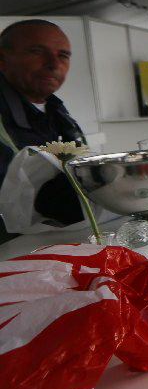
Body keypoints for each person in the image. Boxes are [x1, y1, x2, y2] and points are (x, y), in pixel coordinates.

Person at [0, 20, 86, 235]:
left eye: (63, 55)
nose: (53, 64)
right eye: (37, 51)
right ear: (2, 59)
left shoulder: (58, 113)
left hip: (57, 239)